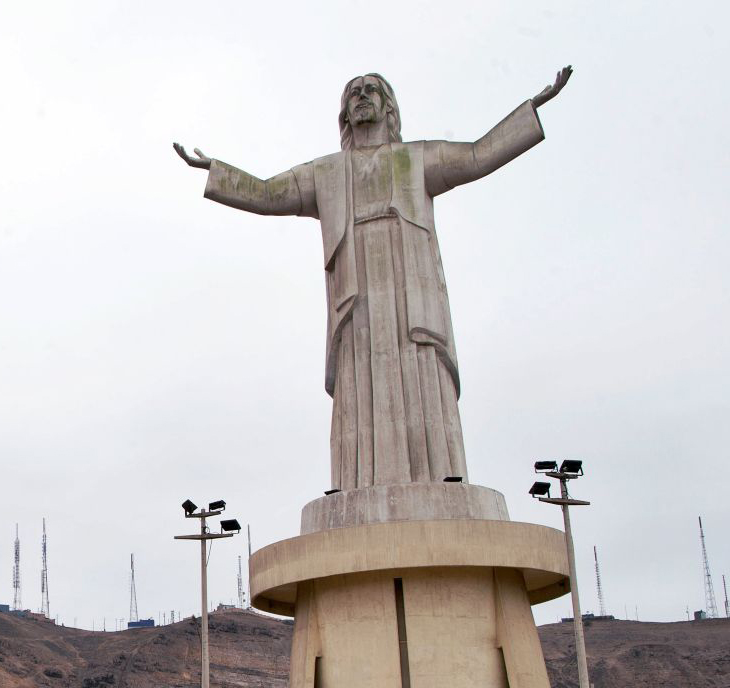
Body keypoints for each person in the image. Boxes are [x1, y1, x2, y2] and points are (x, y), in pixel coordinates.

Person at [174, 67, 572, 491]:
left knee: (420, 366)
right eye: (353, 94)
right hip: (357, 299)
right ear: (344, 113)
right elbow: (270, 193)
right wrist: (215, 170)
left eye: (371, 91)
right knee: (361, 382)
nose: (361, 97)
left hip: (411, 294)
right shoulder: (326, 172)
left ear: (388, 107)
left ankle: (438, 475)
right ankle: (360, 482)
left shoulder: (415, 159)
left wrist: (531, 109)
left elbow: (476, 155)